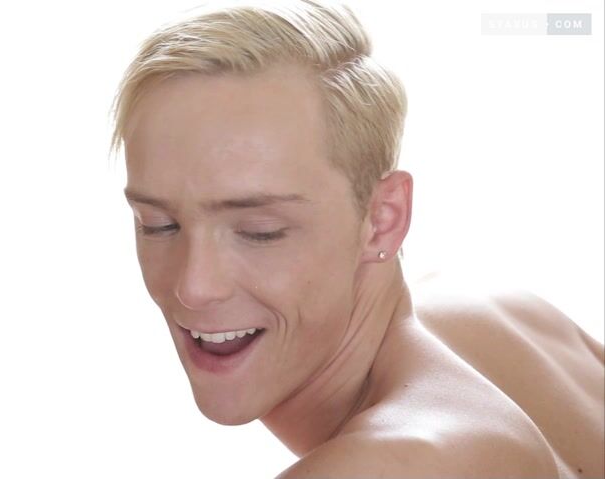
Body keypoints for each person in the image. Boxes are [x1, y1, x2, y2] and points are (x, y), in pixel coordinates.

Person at [108, 1, 605, 477]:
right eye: (158, 224)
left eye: (260, 232)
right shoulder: (501, 311)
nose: (194, 287)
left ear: (383, 219)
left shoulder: (392, 463)